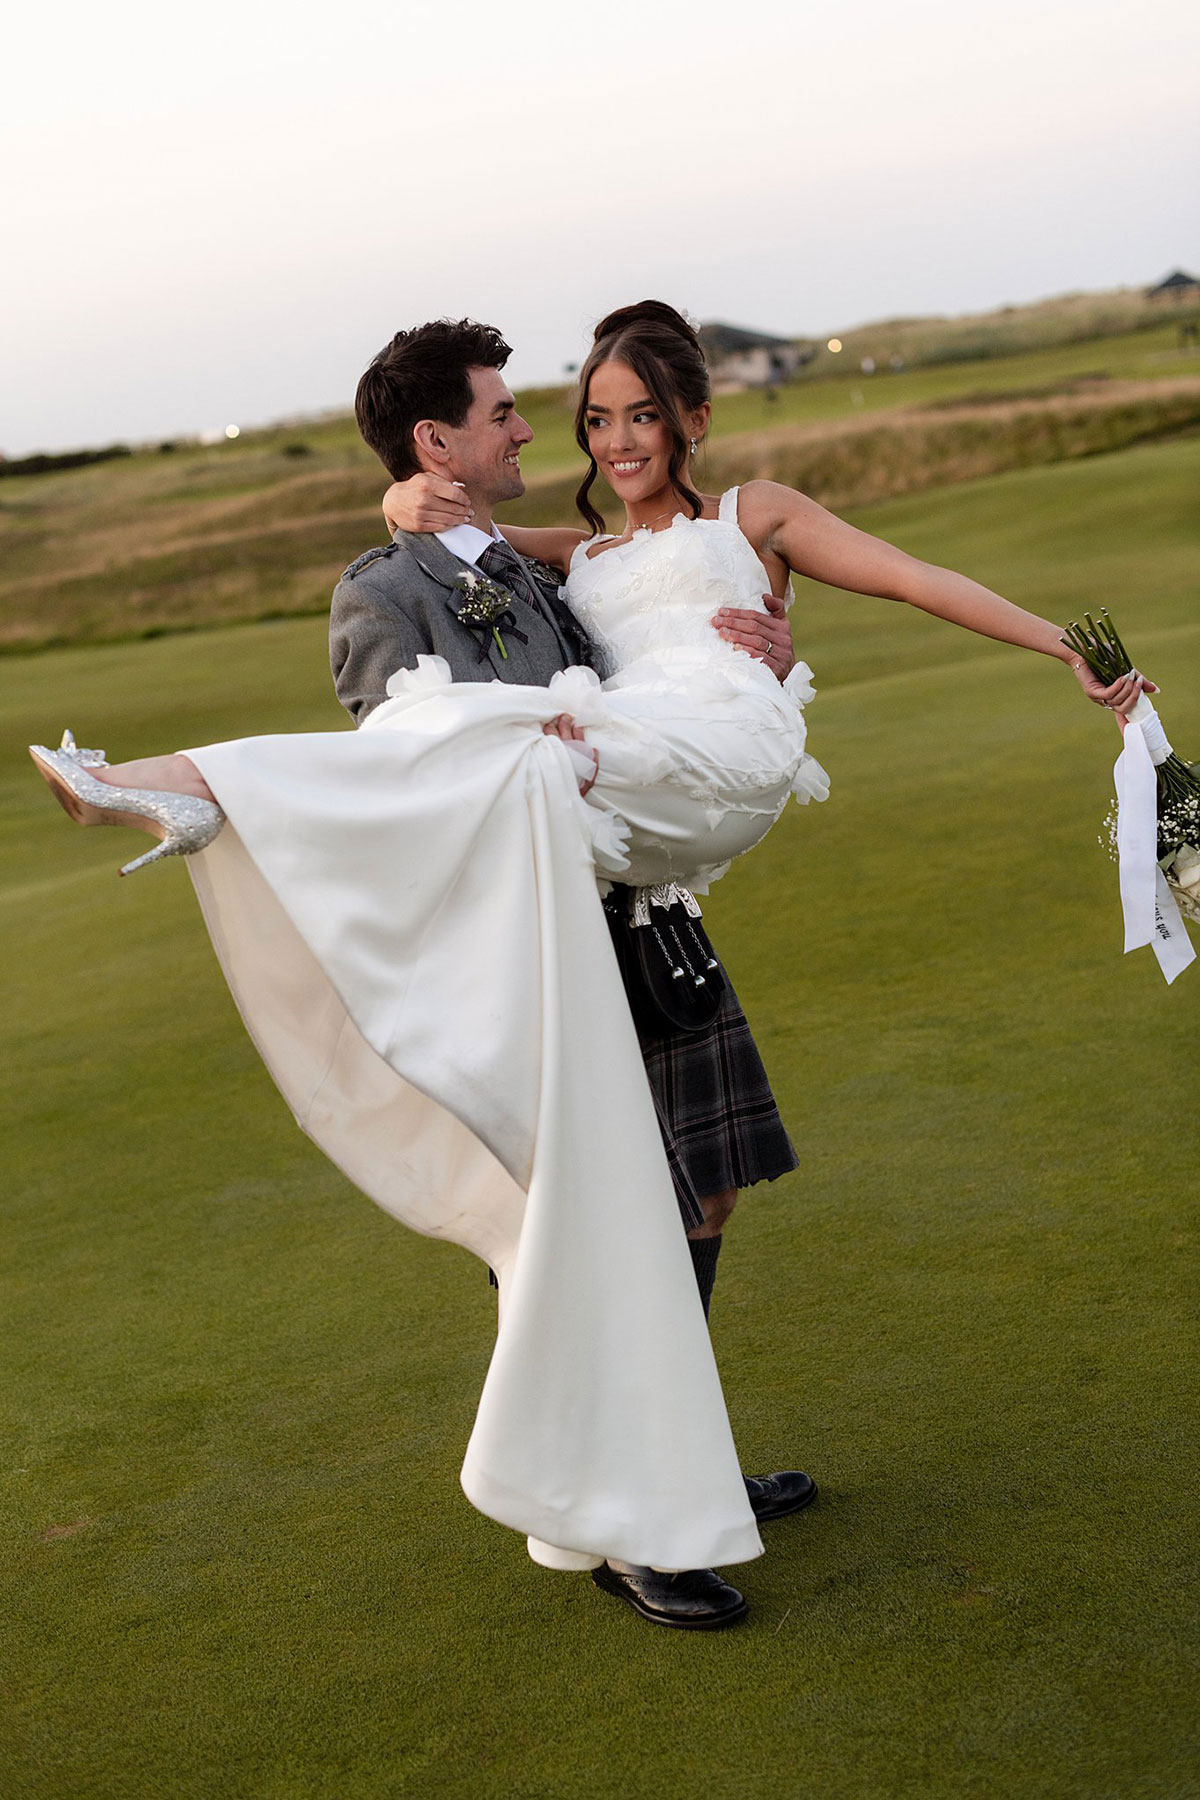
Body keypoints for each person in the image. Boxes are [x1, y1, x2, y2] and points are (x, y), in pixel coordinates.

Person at [30, 302, 1153, 1631]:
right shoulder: (419, 581)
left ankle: (678, 1467)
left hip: (647, 882)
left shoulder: (629, 548)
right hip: (554, 908)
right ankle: (632, 1525)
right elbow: (410, 719)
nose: (600, 437)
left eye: (629, 414)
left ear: (692, 418)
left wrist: (824, 657)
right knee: (602, 1202)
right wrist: (410, 501)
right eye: (566, 417)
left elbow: (890, 577)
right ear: (447, 436)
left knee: (705, 1195)